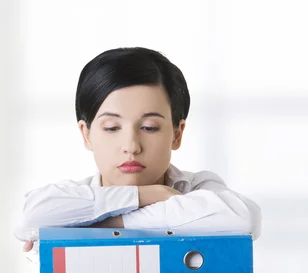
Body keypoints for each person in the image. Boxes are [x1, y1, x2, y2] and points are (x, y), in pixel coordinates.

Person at [15, 47, 261, 252]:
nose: (131, 146)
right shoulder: (72, 196)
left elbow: (244, 218)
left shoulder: (197, 188)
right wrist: (149, 195)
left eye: (149, 127)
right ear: (86, 134)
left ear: (177, 133)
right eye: (112, 128)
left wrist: (106, 225)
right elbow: (29, 219)